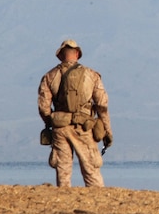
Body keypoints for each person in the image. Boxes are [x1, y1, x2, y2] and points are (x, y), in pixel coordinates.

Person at [37, 39, 113, 187]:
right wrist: (107, 132)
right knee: (91, 170)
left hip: (60, 129)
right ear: (77, 54)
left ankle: (64, 200)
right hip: (84, 128)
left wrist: (51, 122)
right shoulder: (91, 75)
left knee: (63, 171)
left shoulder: (49, 76)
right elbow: (102, 106)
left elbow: (43, 107)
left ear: (60, 56)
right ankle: (96, 201)